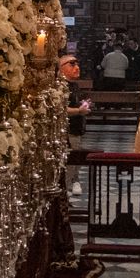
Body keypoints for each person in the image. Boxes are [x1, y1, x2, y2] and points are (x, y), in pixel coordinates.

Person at [60, 53, 90, 196]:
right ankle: (65, 191)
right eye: (72, 64)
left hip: (76, 130)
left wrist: (84, 105)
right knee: (68, 163)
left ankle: (72, 182)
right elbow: (60, 109)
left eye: (77, 64)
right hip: (67, 131)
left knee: (74, 161)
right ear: (61, 68)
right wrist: (79, 110)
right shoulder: (60, 86)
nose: (77, 67)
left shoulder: (74, 85)